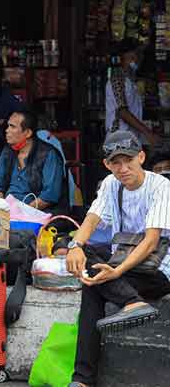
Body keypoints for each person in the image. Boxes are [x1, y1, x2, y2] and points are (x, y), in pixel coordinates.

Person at [64, 130, 170, 387]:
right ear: (107, 165)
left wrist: (117, 271)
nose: (123, 168)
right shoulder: (111, 184)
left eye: (128, 161)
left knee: (93, 287)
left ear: (141, 157)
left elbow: (150, 241)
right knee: (90, 275)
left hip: (159, 271)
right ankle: (132, 303)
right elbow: (91, 219)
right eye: (115, 163)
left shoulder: (161, 186)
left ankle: (82, 379)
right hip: (124, 268)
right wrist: (75, 246)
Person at [0, 111, 64, 212]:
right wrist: (1, 208)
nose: (7, 130)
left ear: (28, 133)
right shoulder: (8, 152)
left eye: (12, 127)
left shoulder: (48, 154)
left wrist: (23, 212)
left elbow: (49, 196)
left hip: (39, 213)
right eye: (8, 126)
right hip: (10, 213)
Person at [106, 40, 160, 147]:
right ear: (129, 56)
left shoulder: (130, 80)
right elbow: (122, 111)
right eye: (138, 54)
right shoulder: (118, 78)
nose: (140, 59)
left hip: (130, 140)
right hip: (119, 140)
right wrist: (147, 132)